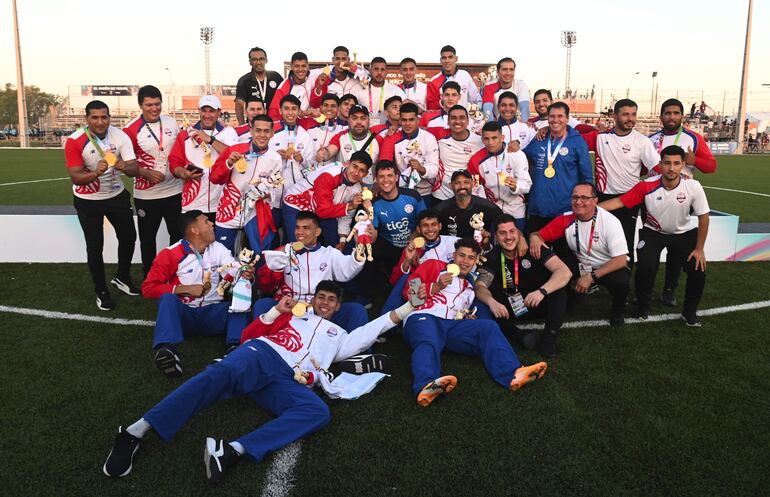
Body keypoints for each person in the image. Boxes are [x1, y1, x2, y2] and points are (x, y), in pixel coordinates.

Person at [102, 280, 417, 482]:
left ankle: (232, 451)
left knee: (318, 412)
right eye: (320, 296)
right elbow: (249, 335)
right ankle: (135, 432)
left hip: (288, 381)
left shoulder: (341, 336)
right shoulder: (295, 312)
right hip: (263, 354)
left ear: (338, 306)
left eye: (331, 299)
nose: (324, 302)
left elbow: (372, 329)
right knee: (217, 376)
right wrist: (273, 314)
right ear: (314, 298)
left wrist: (409, 307)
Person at [401, 238, 548, 407]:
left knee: (488, 327)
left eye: (470, 258)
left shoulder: (470, 286)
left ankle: (513, 373)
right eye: (461, 255)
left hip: (451, 327)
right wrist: (435, 287)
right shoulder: (433, 265)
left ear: (476, 260)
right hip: (423, 317)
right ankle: (425, 385)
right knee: (428, 340)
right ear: (453, 255)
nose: (465, 261)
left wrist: (466, 316)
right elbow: (410, 294)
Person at [599, 146, 710, 326]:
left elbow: (704, 217)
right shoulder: (646, 185)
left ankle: (689, 313)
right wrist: (592, 208)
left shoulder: (693, 186)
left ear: (683, 165)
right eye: (667, 163)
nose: (671, 168)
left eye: (676, 163)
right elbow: (620, 201)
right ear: (660, 164)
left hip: (683, 234)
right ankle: (643, 306)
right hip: (653, 233)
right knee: (644, 268)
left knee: (698, 270)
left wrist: (699, 249)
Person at [140, 210, 251, 376]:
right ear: (195, 230)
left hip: (214, 313)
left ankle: (235, 349)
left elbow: (232, 268)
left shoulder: (218, 248)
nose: (212, 223)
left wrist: (243, 272)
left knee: (240, 303)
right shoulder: (170, 253)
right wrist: (185, 289)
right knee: (168, 299)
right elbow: (148, 288)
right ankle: (167, 351)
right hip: (186, 315)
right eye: (206, 222)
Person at [64, 100, 140, 310]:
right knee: (95, 246)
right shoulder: (75, 141)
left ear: (109, 117)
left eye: (104, 117)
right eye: (95, 117)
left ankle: (122, 277)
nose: (100, 122)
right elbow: (76, 178)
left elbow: (134, 168)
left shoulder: (120, 136)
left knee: (128, 237)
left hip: (116, 195)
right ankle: (101, 290)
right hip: (88, 200)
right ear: (86, 119)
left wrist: (125, 166)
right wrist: (95, 173)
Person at [530, 183, 630, 326]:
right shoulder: (566, 219)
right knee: (556, 270)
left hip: (607, 265)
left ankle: (618, 311)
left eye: (584, 198)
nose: (578, 202)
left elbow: (621, 260)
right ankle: (564, 302)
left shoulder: (610, 222)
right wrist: (534, 237)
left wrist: (591, 277)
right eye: (575, 197)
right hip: (581, 263)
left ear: (595, 200)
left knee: (620, 282)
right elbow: (538, 235)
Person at [649, 98, 717, 306]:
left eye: (676, 113)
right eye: (667, 113)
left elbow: (711, 166)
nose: (672, 117)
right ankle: (645, 291)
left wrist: (694, 160)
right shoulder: (651, 139)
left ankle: (669, 290)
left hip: (682, 198)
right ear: (661, 117)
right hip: (654, 197)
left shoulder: (692, 138)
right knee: (650, 248)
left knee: (676, 249)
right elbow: (642, 167)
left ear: (682, 116)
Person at [253, 211, 368, 330]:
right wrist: (276, 266)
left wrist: (359, 248)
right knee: (263, 304)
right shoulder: (285, 251)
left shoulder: (329, 253)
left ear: (317, 232)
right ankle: (255, 344)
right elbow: (265, 284)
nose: (300, 232)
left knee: (357, 310)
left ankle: (358, 348)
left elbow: (347, 270)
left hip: (322, 307)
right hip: (289, 306)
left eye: (306, 228)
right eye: (297, 228)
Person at [474, 215, 571, 357]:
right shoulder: (492, 256)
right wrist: (492, 302)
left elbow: (564, 272)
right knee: (484, 304)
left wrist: (542, 291)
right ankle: (520, 335)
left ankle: (549, 339)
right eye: (502, 233)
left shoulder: (534, 248)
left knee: (558, 289)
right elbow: (480, 286)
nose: (508, 237)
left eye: (512, 231)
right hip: (511, 309)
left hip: (538, 300)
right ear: (496, 236)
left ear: (518, 232)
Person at [582, 99, 660, 263]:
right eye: (625, 114)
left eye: (633, 114)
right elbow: (574, 138)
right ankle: (597, 278)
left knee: (625, 242)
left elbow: (657, 168)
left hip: (629, 200)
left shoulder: (642, 141)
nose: (630, 118)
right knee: (598, 241)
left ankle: (623, 282)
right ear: (615, 116)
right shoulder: (600, 137)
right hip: (603, 197)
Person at [123, 85, 183, 277]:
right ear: (141, 105)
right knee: (148, 239)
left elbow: (181, 150)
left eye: (157, 104)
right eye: (149, 105)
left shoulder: (172, 122)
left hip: (175, 191)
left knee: (177, 236)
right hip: (146, 195)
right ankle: (150, 276)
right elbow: (124, 164)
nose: (154, 109)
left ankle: (174, 272)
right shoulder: (130, 130)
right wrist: (145, 173)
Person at [210, 115, 283, 254]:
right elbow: (214, 178)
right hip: (228, 213)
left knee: (256, 259)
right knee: (224, 259)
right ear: (251, 131)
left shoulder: (275, 158)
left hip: (256, 214)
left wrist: (267, 194)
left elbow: (276, 187)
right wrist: (229, 163)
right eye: (258, 130)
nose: (262, 135)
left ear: (272, 133)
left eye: (266, 131)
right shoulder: (234, 150)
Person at [523, 102, 593, 242]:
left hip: (565, 209)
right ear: (547, 119)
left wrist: (585, 205)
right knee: (536, 253)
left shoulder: (577, 142)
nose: (556, 120)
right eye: (552, 116)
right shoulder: (539, 139)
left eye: (560, 116)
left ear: (567, 118)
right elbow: (523, 157)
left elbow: (587, 177)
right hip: (539, 208)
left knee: (563, 255)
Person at [169, 96, 238, 221]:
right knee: (194, 241)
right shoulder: (185, 135)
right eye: (204, 110)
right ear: (198, 111)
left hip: (222, 203)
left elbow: (235, 156)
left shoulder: (229, 132)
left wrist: (210, 140)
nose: (207, 115)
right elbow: (174, 163)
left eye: (211, 111)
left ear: (219, 112)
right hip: (193, 205)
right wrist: (183, 173)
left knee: (219, 241)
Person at [282, 151, 373, 245]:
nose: (356, 173)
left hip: (321, 210)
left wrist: (342, 239)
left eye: (362, 170)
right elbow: (323, 211)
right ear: (347, 163)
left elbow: (346, 216)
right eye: (354, 166)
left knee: (338, 243)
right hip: (296, 204)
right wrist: (350, 206)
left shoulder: (357, 189)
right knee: (298, 245)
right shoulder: (329, 175)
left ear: (366, 174)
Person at [467, 121, 531, 231]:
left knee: (517, 244)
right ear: (482, 139)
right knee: (493, 244)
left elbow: (527, 184)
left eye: (494, 138)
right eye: (486, 139)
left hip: (515, 208)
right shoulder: (476, 160)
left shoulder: (516, 154)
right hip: (491, 210)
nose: (490, 142)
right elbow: (475, 188)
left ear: (502, 137)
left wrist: (516, 186)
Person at [369, 160, 427, 280]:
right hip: (390, 248)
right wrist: (368, 209)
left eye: (390, 176)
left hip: (415, 242)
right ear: (376, 179)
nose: (386, 180)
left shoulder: (412, 196)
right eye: (381, 177)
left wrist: (414, 244)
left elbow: (425, 224)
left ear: (396, 177)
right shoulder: (374, 204)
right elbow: (372, 238)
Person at [379, 102, 440, 203]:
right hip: (402, 192)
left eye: (411, 119)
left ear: (418, 120)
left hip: (425, 192)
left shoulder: (428, 138)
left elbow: (434, 169)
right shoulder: (392, 136)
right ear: (399, 120)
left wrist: (421, 169)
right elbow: (384, 162)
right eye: (404, 120)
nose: (407, 124)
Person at [427, 104, 484, 203]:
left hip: (468, 196)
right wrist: (394, 128)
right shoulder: (439, 134)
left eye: (462, 118)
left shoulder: (480, 141)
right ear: (448, 121)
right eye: (453, 118)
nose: (458, 121)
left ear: (468, 121)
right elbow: (418, 129)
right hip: (442, 195)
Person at [316, 104, 383, 183]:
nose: (358, 122)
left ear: (369, 120)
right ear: (348, 120)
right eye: (354, 118)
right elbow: (329, 151)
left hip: (369, 188)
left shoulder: (378, 139)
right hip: (345, 185)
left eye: (363, 118)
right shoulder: (341, 136)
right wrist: (323, 154)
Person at [433, 169, 502, 238]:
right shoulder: (440, 210)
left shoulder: (489, 208)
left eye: (466, 182)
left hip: (479, 248)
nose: (462, 186)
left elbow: (502, 229)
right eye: (457, 183)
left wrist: (489, 237)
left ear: (473, 184)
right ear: (451, 186)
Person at [268, 94, 317, 189]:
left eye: (294, 109)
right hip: (273, 184)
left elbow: (311, 165)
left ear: (299, 111)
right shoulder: (270, 131)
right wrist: (275, 155)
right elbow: (261, 156)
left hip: (296, 186)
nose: (290, 112)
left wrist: (302, 159)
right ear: (280, 111)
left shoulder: (305, 136)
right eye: (286, 108)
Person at [267, 51, 324, 122]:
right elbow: (273, 114)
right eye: (297, 66)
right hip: (295, 127)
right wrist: (302, 113)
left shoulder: (314, 74)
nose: (300, 69)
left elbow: (332, 68)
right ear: (291, 67)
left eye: (303, 66)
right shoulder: (283, 88)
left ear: (308, 66)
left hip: (314, 124)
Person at [235, 47, 283, 125]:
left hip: (275, 123)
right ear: (250, 62)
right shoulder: (244, 80)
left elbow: (285, 98)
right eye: (254, 59)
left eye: (261, 59)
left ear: (266, 60)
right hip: (254, 126)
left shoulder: (276, 77)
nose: (258, 62)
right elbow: (239, 104)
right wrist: (242, 125)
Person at [425, 45, 481, 111]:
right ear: (440, 60)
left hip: (464, 119)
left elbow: (476, 99)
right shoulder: (433, 82)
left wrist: (478, 112)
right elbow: (432, 108)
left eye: (450, 57)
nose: (447, 61)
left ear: (456, 58)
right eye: (444, 58)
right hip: (444, 119)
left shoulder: (465, 75)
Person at [307, 93, 348, 168]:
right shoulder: (310, 127)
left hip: (331, 174)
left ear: (338, 108)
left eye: (333, 106)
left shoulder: (344, 131)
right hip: (309, 173)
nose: (329, 109)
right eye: (326, 105)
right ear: (321, 107)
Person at [364, 57, 405, 124]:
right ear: (370, 70)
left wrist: (423, 112)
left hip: (387, 131)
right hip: (362, 131)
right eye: (376, 69)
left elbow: (407, 105)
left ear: (386, 71)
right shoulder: (359, 88)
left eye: (382, 69)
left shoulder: (395, 90)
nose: (379, 72)